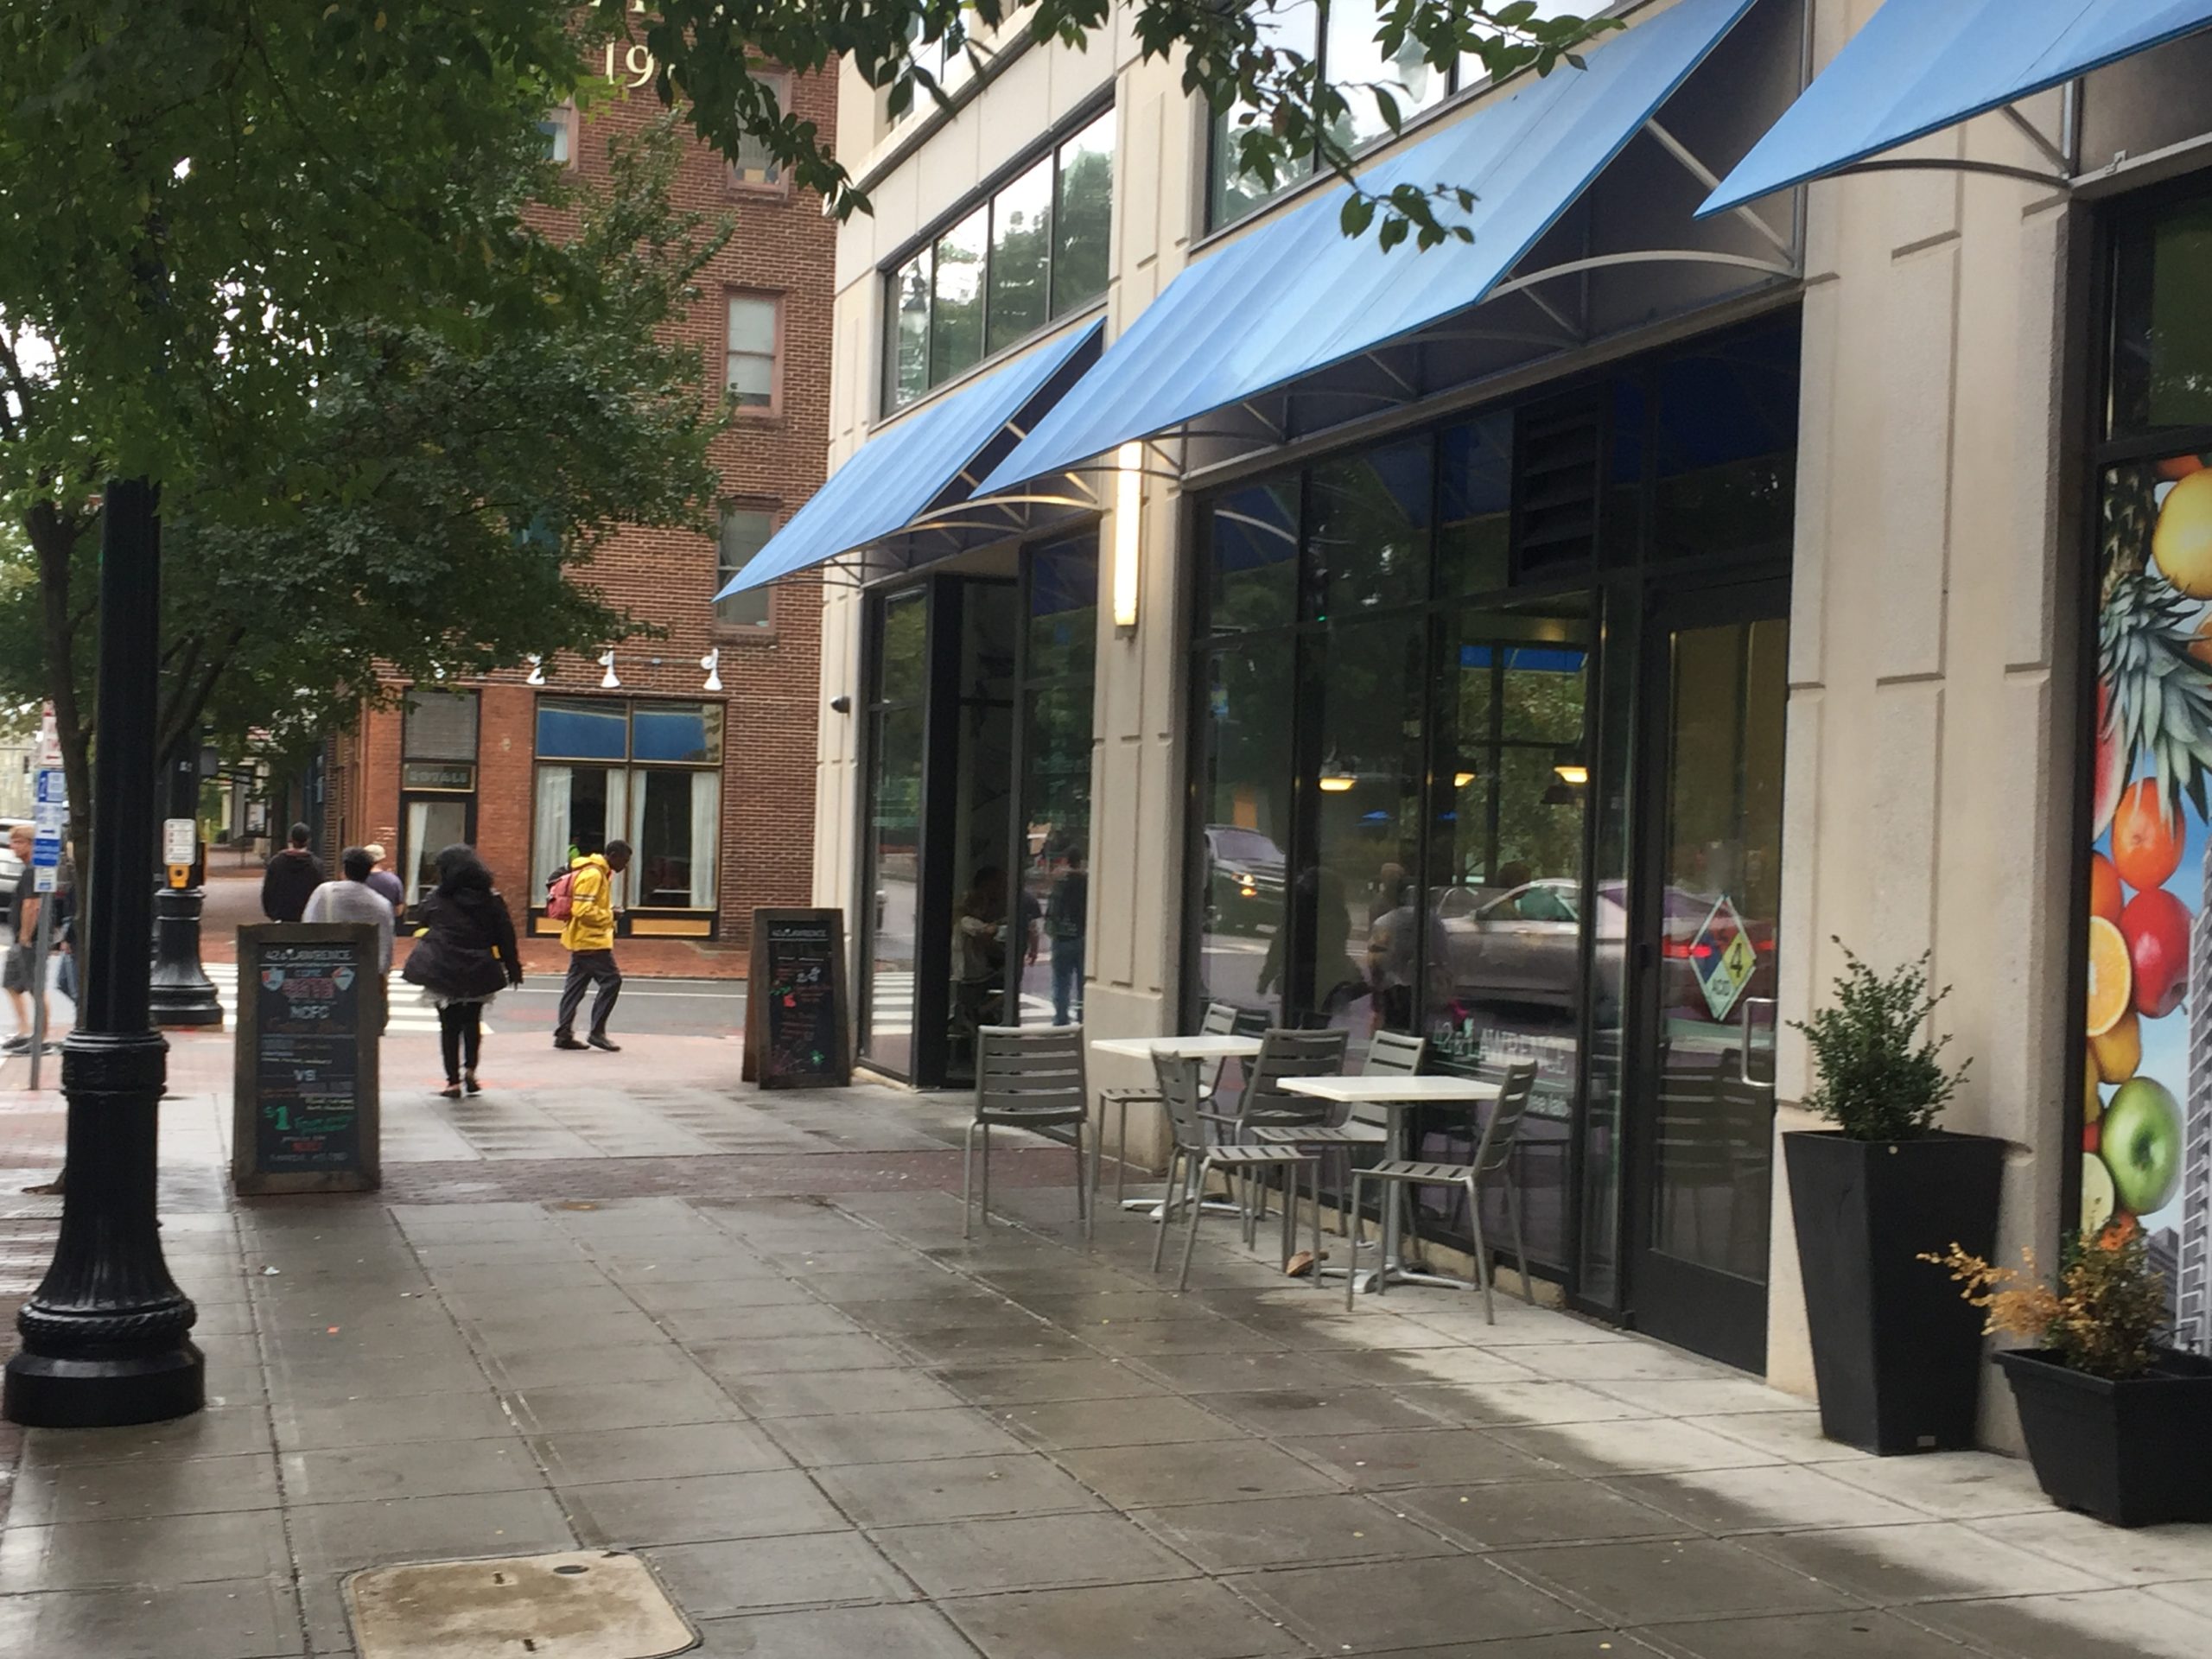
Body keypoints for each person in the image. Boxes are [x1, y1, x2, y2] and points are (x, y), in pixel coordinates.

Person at [401, 843, 522, 1096]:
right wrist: (512, 966)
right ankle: (471, 1070)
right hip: (480, 966)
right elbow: (506, 935)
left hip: (443, 967)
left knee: (449, 1025)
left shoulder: (437, 898)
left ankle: (452, 1081)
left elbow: (422, 917)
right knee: (472, 1021)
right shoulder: (491, 898)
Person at [553, 837, 628, 1052]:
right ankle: (597, 1032)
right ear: (613, 856)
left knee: (575, 986)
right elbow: (582, 910)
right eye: (624, 860)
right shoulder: (594, 875)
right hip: (590, 940)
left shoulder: (600, 873)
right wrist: (610, 914)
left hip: (582, 938)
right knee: (612, 981)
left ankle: (563, 1033)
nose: (625, 865)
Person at [303, 846, 396, 979]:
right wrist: (380, 976)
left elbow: (308, 924)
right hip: (364, 973)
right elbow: (385, 945)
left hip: (325, 966)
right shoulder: (382, 904)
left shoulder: (324, 892)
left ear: (344, 869)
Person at [3, 825, 51, 1055]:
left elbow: (32, 904)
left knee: (35, 987)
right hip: (18, 939)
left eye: (18, 842)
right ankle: (23, 1031)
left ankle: (41, 1038)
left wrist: (25, 935)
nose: (13, 846)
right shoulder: (28, 869)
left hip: (29, 939)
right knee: (12, 984)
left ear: (30, 844)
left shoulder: (33, 870)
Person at [1045, 851, 1087, 1026]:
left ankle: (1061, 1018)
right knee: (1084, 983)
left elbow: (1051, 911)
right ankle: (1083, 1016)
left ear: (1067, 861)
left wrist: (1052, 930)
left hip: (1062, 937)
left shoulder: (1059, 883)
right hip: (1083, 936)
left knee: (1061, 982)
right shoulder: (1087, 882)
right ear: (1080, 861)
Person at [260, 823, 325, 922]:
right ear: (308, 841)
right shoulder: (317, 865)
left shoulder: (276, 862)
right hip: (308, 918)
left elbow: (268, 891)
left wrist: (272, 913)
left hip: (282, 916)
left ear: (290, 839)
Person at [360, 842, 406, 917]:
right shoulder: (393, 880)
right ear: (382, 859)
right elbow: (399, 911)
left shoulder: (356, 879)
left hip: (359, 925)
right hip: (385, 925)